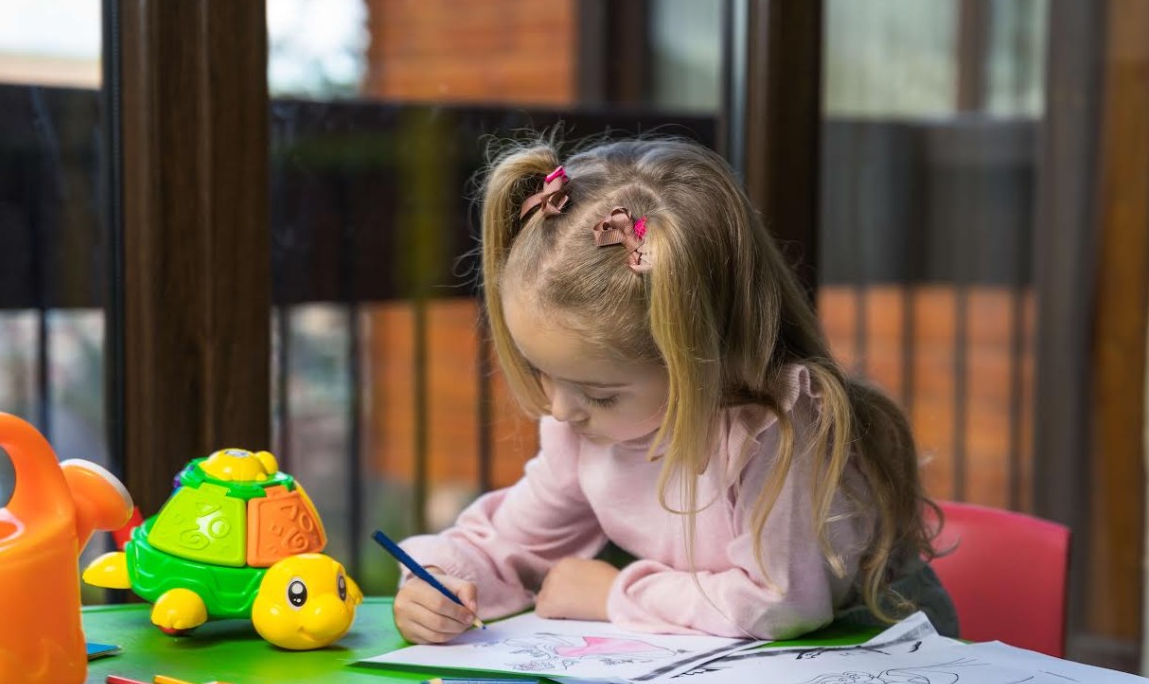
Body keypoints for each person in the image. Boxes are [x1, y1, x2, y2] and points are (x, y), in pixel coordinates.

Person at [393, 134, 958, 644]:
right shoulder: (584, 433)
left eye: (600, 393)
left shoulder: (780, 427)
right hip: (730, 673)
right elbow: (508, 546)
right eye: (542, 372)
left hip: (877, 660)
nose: (561, 411)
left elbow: (784, 604)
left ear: (705, 358)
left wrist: (613, 596)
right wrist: (441, 580)